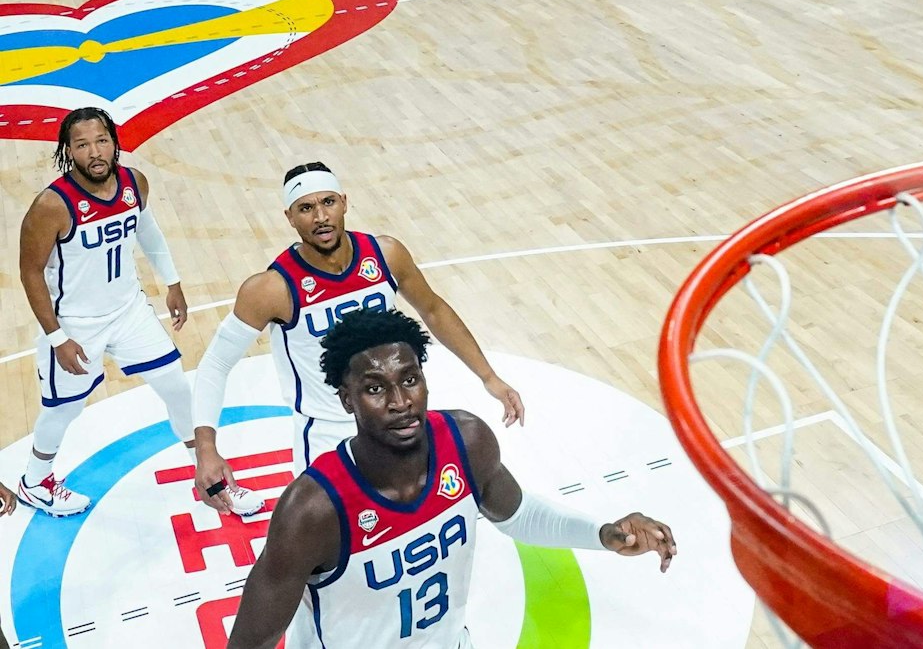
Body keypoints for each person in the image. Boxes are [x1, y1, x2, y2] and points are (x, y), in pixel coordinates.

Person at [224, 311, 674, 649]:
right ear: (346, 400)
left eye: (410, 379)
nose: (401, 401)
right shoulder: (314, 509)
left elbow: (518, 514)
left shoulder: (466, 440)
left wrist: (605, 534)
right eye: (376, 388)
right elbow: (252, 641)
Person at [190, 163, 525, 510]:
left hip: (394, 421)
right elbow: (215, 363)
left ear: (344, 202)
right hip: (327, 433)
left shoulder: (386, 254)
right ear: (289, 217)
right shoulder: (271, 288)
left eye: (328, 202)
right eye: (306, 208)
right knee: (326, 550)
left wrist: (489, 377)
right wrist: (206, 450)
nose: (321, 216)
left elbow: (434, 310)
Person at [15, 109, 255, 517]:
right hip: (75, 323)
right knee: (64, 408)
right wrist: (57, 338)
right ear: (67, 150)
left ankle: (211, 475)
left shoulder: (133, 183)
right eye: (82, 144)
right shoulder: (51, 206)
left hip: (128, 310)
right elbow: (30, 271)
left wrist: (172, 281)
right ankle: (34, 480)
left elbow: (147, 229)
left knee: (177, 387)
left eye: (101, 141)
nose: (94, 152)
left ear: (114, 141)